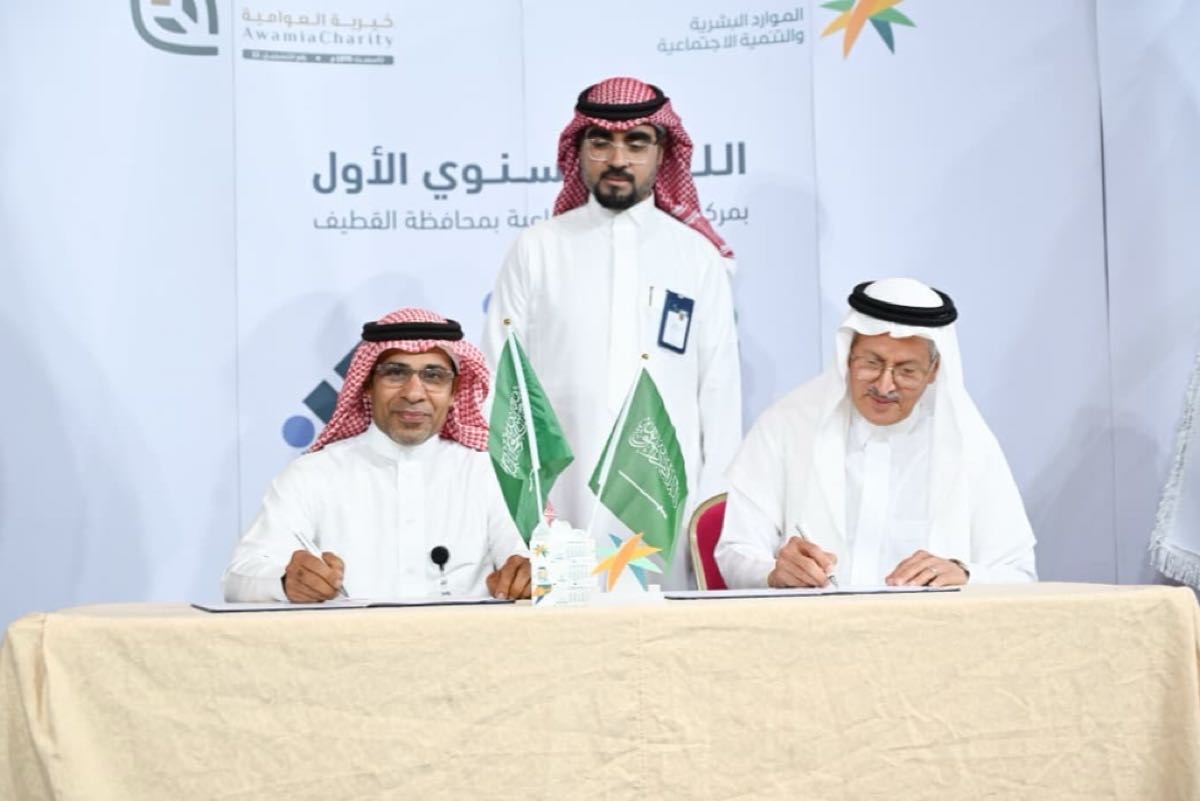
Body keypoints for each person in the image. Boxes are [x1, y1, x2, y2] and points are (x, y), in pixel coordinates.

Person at [483, 76, 741, 589]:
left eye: (636, 143)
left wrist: (709, 511)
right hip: (560, 497)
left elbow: (719, 393)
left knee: (664, 628)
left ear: (662, 152)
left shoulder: (696, 257)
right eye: (601, 142)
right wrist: (519, 511)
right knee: (562, 627)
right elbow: (500, 386)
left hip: (666, 496)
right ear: (578, 151)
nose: (618, 158)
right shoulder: (538, 249)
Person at [716, 278, 1037, 588]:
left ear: (933, 371)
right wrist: (774, 572)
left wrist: (965, 574)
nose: (884, 386)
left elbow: (1019, 574)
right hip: (812, 621)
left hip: (930, 624)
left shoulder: (969, 444)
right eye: (871, 363)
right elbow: (735, 552)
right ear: (847, 356)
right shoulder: (787, 425)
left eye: (907, 371)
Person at [222, 308, 530, 602]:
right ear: (367, 385)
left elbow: (528, 557)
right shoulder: (312, 474)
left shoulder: (488, 474)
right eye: (395, 373)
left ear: (455, 391)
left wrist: (531, 574)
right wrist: (285, 581)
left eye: (434, 376)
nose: (414, 393)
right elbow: (239, 577)